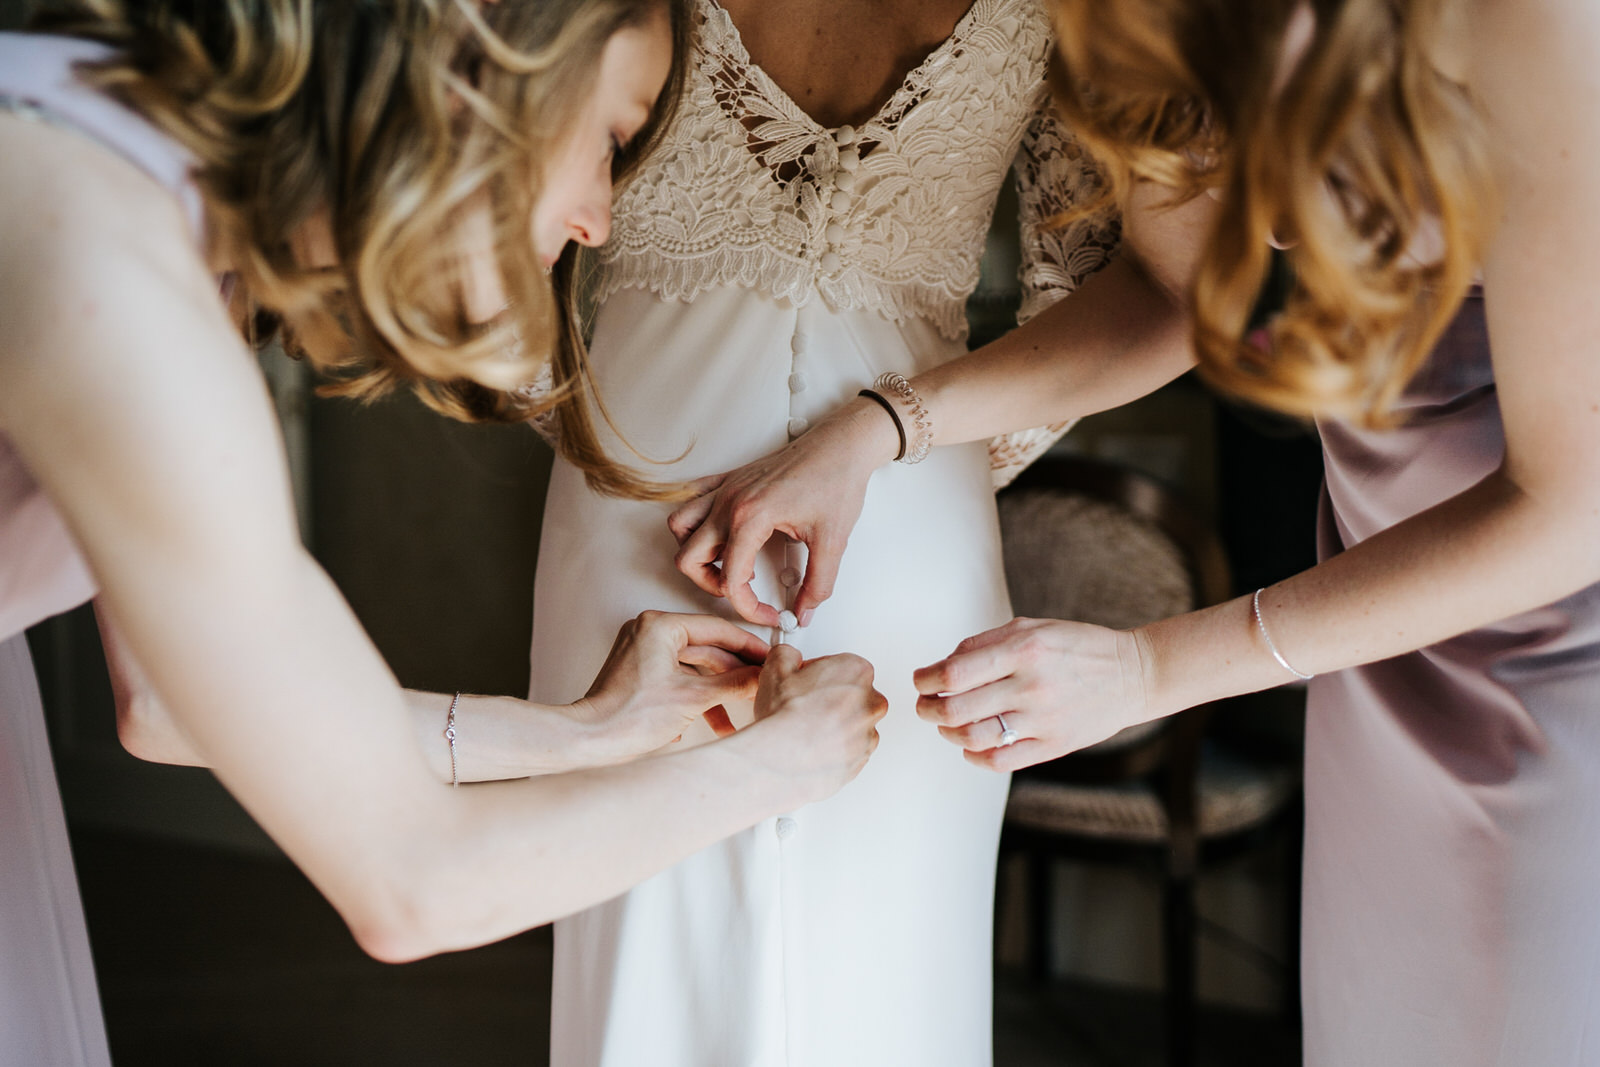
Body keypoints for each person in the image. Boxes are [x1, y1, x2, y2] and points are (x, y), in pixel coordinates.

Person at [672, 0, 1600, 1061]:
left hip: (1567, 656)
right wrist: (883, 426)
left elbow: (1573, 509)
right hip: (1380, 647)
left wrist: (1153, 667)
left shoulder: (1529, 21)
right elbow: (1169, 287)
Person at [0, 3, 887, 1064]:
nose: (601, 219)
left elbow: (166, 710)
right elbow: (409, 881)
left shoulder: (164, 209)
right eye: (610, 136)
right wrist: (786, 762)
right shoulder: (109, 265)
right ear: (474, 49)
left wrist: (589, 730)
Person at [523, 1, 1138, 1063]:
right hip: (639, 542)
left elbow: (1135, 293)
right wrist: (586, 428)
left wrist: (912, 456)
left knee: (881, 965)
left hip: (880, 537)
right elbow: (480, 190)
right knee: (648, 960)